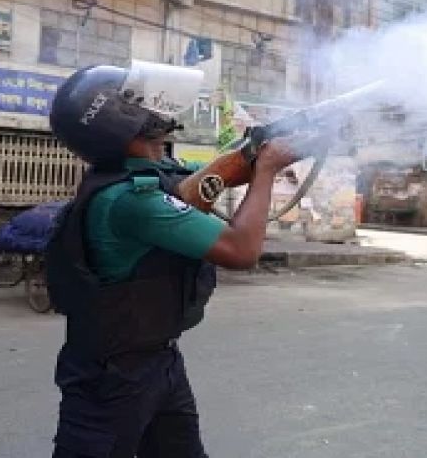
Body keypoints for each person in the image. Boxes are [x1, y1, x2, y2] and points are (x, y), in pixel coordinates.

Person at [45, 64, 301, 458]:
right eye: (143, 98)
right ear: (122, 119)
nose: (158, 104)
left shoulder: (153, 175)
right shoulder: (130, 200)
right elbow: (241, 250)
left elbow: (213, 179)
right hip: (110, 379)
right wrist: (266, 170)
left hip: (158, 361)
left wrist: (256, 149)